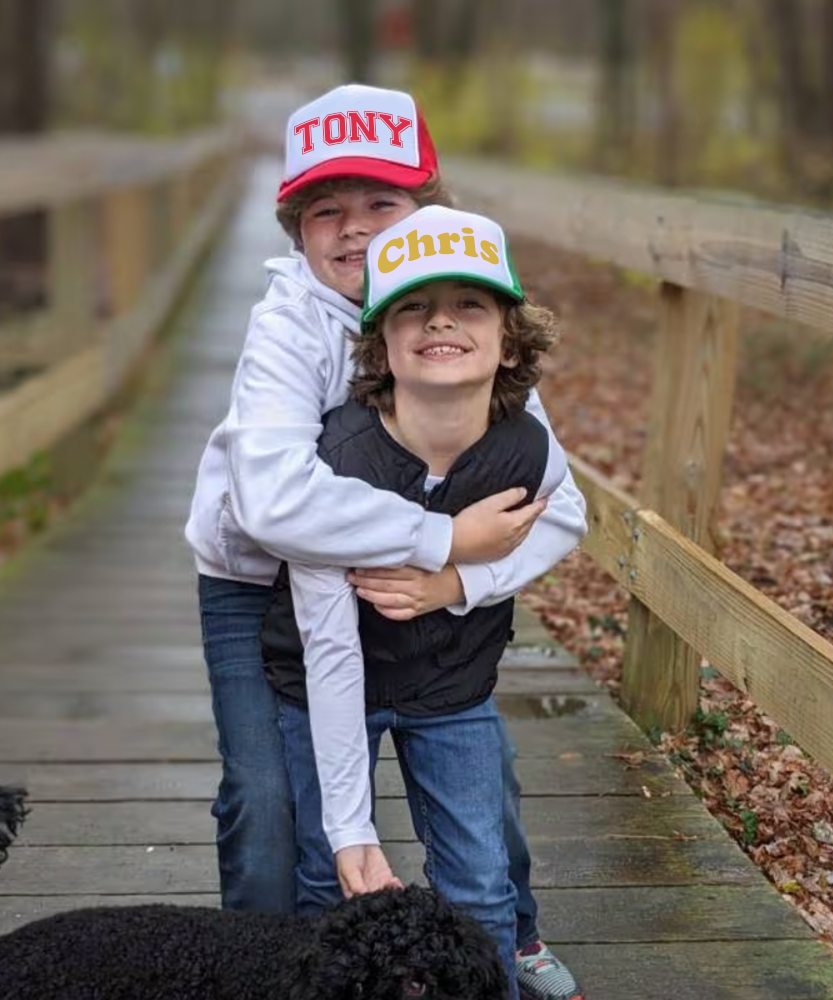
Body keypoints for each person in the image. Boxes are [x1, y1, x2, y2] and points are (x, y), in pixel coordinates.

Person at [183, 84, 588, 1000]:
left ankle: (512, 933)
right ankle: (263, 964)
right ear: (293, 229)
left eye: (383, 204)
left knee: (480, 764)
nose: (354, 229)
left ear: (427, 211)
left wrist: (456, 581)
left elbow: (548, 500)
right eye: (326, 210)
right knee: (268, 798)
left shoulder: (467, 327)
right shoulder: (286, 327)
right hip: (260, 586)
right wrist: (444, 535)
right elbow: (275, 503)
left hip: (417, 591)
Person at [260, 204, 585, 1000]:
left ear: (510, 338)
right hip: (331, 684)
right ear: (379, 343)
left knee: (478, 880)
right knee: (328, 876)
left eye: (470, 304)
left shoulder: (525, 449)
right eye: (413, 306)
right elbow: (332, 650)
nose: (441, 320)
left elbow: (565, 520)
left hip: (452, 686)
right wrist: (351, 827)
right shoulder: (331, 470)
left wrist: (457, 583)